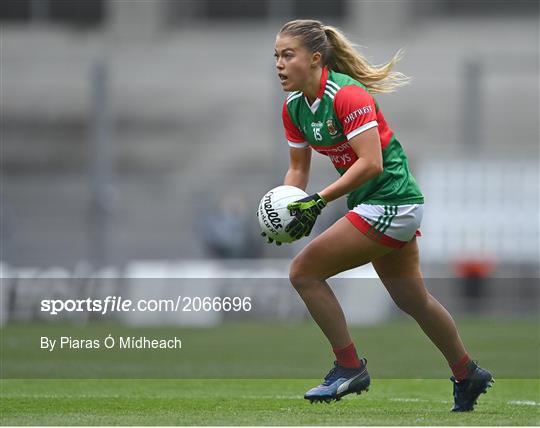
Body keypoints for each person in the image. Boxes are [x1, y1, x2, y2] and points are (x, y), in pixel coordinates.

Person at [264, 19, 493, 411]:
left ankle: (348, 366)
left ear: (316, 58)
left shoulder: (347, 95)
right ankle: (467, 372)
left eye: (288, 55)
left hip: (392, 200)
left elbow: (370, 164)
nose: (280, 64)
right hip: (377, 204)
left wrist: (317, 202)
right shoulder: (294, 108)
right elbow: (297, 171)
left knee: (303, 273)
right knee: (412, 300)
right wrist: (288, 206)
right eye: (276, 57)